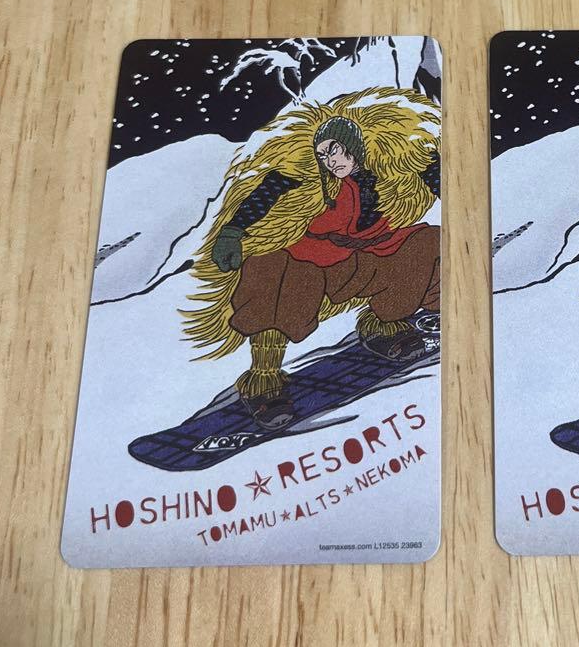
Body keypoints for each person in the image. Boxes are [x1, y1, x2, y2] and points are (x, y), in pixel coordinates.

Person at [184, 88, 441, 429]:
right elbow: (269, 191)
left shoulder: (390, 175)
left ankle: (383, 327)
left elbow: (431, 173)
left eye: (334, 150)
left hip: (365, 255)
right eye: (322, 155)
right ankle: (264, 382)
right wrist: (234, 230)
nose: (330, 160)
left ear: (353, 146)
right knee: (275, 274)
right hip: (313, 261)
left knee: (426, 243)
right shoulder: (313, 183)